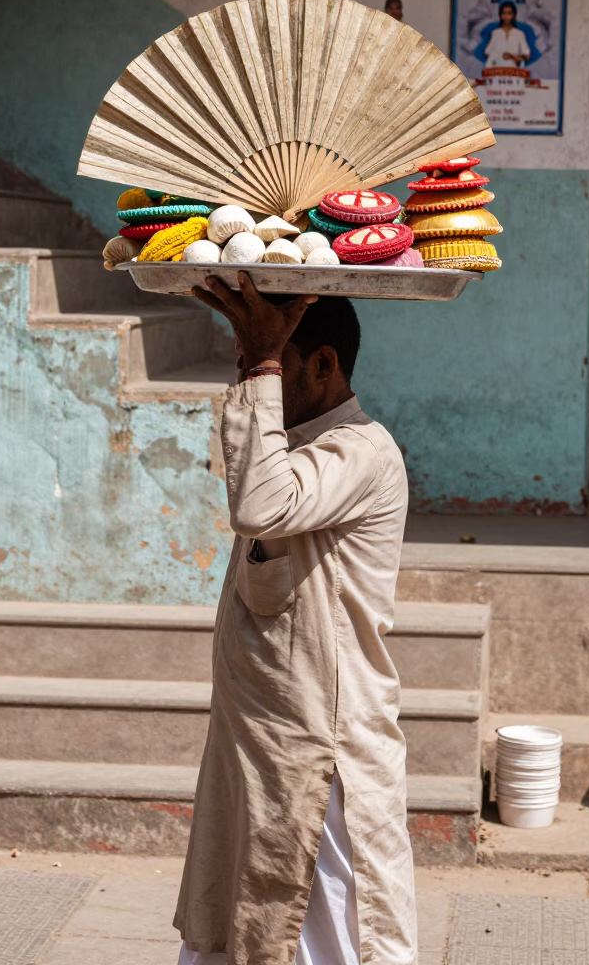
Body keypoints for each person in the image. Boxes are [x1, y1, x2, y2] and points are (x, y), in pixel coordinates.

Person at [175, 272, 416, 965]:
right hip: (258, 745)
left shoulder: (363, 452)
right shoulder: (288, 448)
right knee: (237, 919)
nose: (256, 378)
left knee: (322, 929)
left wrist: (259, 364)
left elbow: (260, 507)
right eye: (251, 362)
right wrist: (259, 366)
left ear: (324, 364)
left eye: (281, 365)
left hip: (322, 753)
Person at [483, 0, 531, 69]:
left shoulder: (520, 34)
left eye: (509, 13)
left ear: (514, 15)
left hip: (512, 71)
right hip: (494, 70)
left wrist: (517, 58)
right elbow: (487, 52)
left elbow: (526, 55)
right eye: (504, 13)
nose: (506, 16)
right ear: (501, 15)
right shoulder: (495, 33)